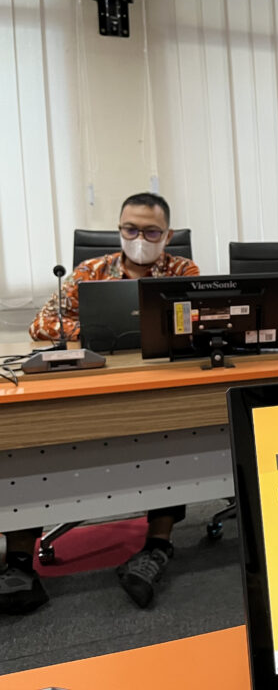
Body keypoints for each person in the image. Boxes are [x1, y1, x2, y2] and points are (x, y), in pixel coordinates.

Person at [2, 192, 198, 614]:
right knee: (29, 438)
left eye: (151, 232)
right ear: (119, 229)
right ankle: (18, 564)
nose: (140, 239)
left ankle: (157, 547)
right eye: (131, 229)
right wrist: (96, 328)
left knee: (174, 431)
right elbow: (42, 324)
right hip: (93, 381)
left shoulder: (182, 271)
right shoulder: (89, 271)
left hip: (157, 382)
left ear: (168, 235)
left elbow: (193, 321)